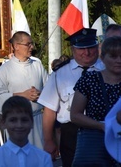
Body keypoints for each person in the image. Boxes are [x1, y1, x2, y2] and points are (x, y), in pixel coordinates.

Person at [38, 28, 104, 166]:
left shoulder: (107, 69)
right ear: (73, 49)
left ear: (97, 47)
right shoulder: (60, 74)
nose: (86, 52)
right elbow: (49, 110)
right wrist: (49, 141)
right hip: (72, 134)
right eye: (81, 48)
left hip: (101, 132)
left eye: (90, 47)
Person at [70, 36, 121, 166]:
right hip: (95, 145)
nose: (119, 60)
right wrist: (102, 126)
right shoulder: (89, 80)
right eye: (113, 56)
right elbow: (75, 115)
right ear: (103, 58)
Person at [0, 31, 48, 149]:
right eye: (28, 44)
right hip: (16, 124)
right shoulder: (5, 69)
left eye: (31, 44)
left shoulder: (37, 65)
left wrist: (40, 94)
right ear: (16, 46)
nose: (31, 47)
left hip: (37, 121)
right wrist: (22, 95)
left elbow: (50, 90)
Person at [0, 96, 53, 167]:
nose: (19, 125)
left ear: (32, 122)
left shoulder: (43, 158)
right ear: (3, 123)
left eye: (24, 120)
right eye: (13, 120)